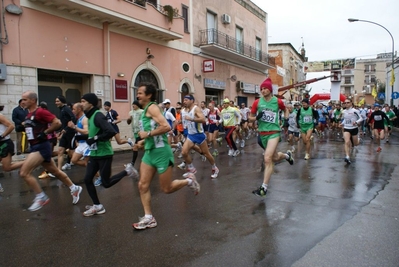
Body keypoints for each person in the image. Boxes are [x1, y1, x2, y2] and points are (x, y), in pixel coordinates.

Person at [132, 83, 200, 230]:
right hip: (150, 152)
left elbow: (166, 127)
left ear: (149, 95)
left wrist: (147, 134)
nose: (137, 95)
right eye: (137, 93)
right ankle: (149, 217)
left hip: (162, 153)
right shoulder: (145, 110)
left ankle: (189, 180)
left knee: (167, 189)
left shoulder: (152, 107)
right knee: (142, 185)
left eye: (140, 93)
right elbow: (153, 132)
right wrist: (142, 142)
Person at [19, 91, 82, 211]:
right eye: (22, 100)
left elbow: (57, 122)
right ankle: (74, 188)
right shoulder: (28, 115)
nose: (23, 102)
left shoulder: (41, 111)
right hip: (34, 146)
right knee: (56, 172)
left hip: (41, 146)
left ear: (33, 100)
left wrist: (45, 133)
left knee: (24, 172)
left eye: (25, 99)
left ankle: (41, 196)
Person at [77, 93, 138, 216]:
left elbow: (110, 131)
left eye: (83, 101)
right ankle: (97, 206)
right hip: (94, 153)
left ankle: (127, 171)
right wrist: (79, 136)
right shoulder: (89, 117)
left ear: (91, 103)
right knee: (88, 179)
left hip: (104, 154)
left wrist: (94, 138)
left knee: (106, 183)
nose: (81, 104)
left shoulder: (98, 116)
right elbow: (93, 134)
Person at [249, 78, 294, 197]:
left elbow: (285, 110)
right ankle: (287, 156)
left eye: (265, 88)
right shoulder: (257, 102)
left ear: (270, 89)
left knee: (267, 158)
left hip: (274, 132)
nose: (263, 90)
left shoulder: (277, 101)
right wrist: (257, 117)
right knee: (274, 157)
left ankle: (264, 188)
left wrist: (286, 120)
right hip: (262, 133)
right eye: (261, 89)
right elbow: (250, 118)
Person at [180, 95, 219, 178]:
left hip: (199, 135)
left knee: (206, 153)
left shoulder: (196, 108)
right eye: (184, 100)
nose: (184, 101)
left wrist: (191, 119)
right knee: (184, 152)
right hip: (191, 135)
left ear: (192, 101)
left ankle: (214, 168)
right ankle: (192, 169)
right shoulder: (185, 110)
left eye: (186, 100)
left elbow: (202, 119)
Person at [0, 104, 25, 192]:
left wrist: (2, 135)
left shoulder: (0, 117)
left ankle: (28, 162)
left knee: (7, 168)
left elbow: (11, 126)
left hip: (5, 144)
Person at [55, 95, 77, 171]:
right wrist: (59, 132)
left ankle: (86, 162)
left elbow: (73, 118)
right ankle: (59, 170)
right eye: (56, 101)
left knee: (71, 152)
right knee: (60, 151)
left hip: (70, 133)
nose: (56, 103)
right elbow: (62, 123)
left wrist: (67, 128)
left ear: (62, 101)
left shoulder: (66, 109)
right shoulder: (61, 110)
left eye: (57, 101)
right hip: (64, 133)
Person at [67, 103, 90, 168]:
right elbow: (78, 131)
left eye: (74, 109)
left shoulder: (84, 119)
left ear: (79, 109)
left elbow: (86, 131)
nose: (72, 111)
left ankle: (99, 176)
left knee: (87, 163)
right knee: (74, 160)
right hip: (81, 144)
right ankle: (94, 168)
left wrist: (74, 127)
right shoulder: (78, 119)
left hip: (86, 144)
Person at [340, 98, 363, 164]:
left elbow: (361, 118)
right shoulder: (343, 111)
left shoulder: (355, 111)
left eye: (348, 102)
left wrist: (356, 122)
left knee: (355, 144)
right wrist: (342, 123)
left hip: (354, 128)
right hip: (346, 128)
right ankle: (347, 156)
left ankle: (359, 139)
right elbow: (345, 119)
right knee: (347, 142)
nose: (346, 104)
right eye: (345, 103)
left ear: (351, 103)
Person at [127, 100, 144, 167]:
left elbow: (143, 121)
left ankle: (132, 163)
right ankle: (150, 158)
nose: (133, 106)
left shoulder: (141, 111)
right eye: (132, 105)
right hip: (134, 131)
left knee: (135, 147)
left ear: (137, 105)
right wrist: (129, 119)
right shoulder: (131, 112)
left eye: (134, 104)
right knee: (142, 147)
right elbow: (128, 123)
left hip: (140, 131)